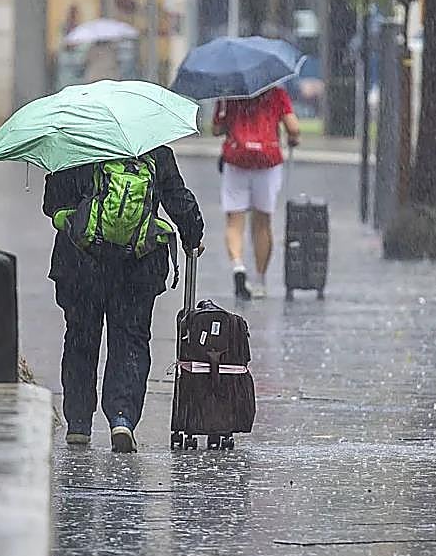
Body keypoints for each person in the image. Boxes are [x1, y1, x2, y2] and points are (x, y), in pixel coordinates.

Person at [42, 146, 204, 452]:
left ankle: (78, 423)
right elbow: (179, 199)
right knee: (130, 339)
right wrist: (193, 235)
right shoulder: (154, 150)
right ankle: (122, 418)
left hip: (79, 263)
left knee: (80, 338)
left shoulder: (76, 146)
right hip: (138, 265)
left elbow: (52, 204)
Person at [213, 86, 301, 300]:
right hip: (267, 162)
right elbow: (294, 127)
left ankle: (238, 266)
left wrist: (234, 125)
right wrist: (292, 139)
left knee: (234, 222)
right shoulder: (277, 93)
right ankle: (260, 281)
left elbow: (216, 129)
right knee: (262, 223)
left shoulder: (229, 92)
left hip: (236, 160)